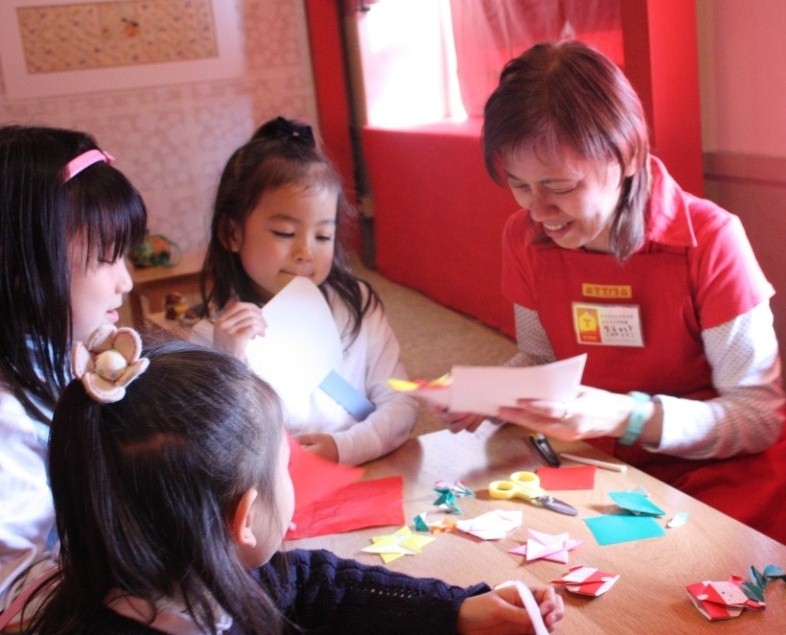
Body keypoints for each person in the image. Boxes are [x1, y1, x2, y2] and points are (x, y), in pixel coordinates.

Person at [447, 40, 786, 543]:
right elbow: (541, 358)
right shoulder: (524, 237)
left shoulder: (711, 239)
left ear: (627, 155)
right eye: (519, 185)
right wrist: (491, 389)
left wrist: (626, 415)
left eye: (559, 186)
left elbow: (757, 417)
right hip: (598, 461)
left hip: (716, 471)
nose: (537, 210)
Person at [26, 328, 565, 634]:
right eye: (286, 466)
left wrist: (455, 609)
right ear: (243, 519)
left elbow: (315, 586)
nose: (294, 475)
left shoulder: (183, 573)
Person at [197, 116, 417, 465]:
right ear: (232, 233)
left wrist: (344, 447)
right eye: (285, 233)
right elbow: (219, 448)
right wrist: (231, 361)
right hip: (281, 489)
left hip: (372, 469)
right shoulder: (212, 338)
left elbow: (401, 402)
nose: (305, 252)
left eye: (323, 236)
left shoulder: (356, 304)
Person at [0, 125, 147, 629]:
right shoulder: (7, 418)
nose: (126, 280)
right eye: (107, 257)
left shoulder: (65, 358)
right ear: (23, 271)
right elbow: (15, 595)